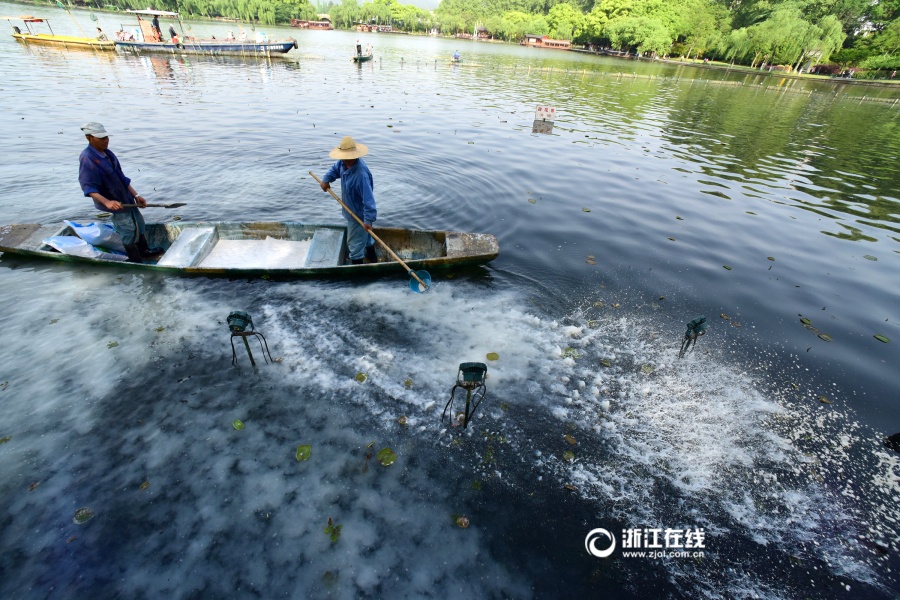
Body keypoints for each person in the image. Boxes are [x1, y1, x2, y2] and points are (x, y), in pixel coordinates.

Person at [78, 123, 162, 263]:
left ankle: (144, 251)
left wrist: (136, 195)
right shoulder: (87, 158)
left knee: (139, 224)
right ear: (89, 138)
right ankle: (135, 259)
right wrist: (107, 202)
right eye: (101, 138)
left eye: (106, 137)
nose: (105, 140)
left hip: (126, 198)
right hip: (115, 202)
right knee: (127, 229)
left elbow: (122, 178)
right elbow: (88, 187)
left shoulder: (108, 154)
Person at [318, 136, 377, 265]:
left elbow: (369, 202)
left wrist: (367, 221)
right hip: (351, 210)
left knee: (354, 245)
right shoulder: (343, 163)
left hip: (358, 215)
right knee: (366, 239)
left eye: (350, 158)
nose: (347, 161)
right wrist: (326, 180)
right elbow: (334, 170)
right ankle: (373, 260)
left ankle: (358, 275)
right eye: (345, 158)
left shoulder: (361, 175)